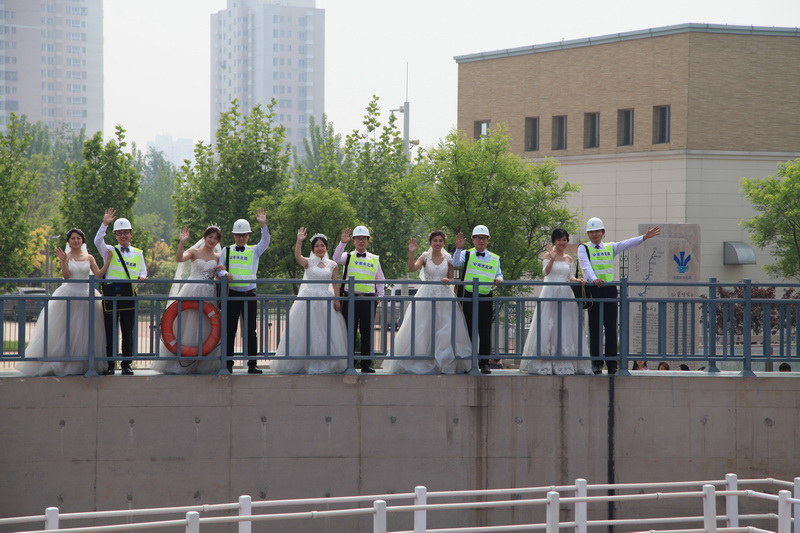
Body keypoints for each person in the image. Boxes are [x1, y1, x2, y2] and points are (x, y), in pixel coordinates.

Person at [16, 229, 111, 377]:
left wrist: (108, 261)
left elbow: (98, 275)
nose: (75, 240)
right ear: (69, 241)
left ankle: (85, 362)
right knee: (65, 328)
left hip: (87, 294)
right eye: (72, 238)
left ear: (82, 241)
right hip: (69, 293)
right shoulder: (66, 256)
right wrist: (63, 261)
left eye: (78, 238)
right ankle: (62, 361)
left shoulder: (89, 257)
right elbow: (66, 277)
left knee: (86, 330)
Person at [578, 217, 660, 375]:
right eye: (591, 232)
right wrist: (594, 279)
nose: (594, 234)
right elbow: (585, 265)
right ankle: (596, 363)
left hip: (609, 289)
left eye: (597, 231)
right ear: (588, 234)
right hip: (593, 289)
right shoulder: (584, 248)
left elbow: (626, 243)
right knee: (594, 328)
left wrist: (643, 237)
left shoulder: (610, 247)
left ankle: (611, 363)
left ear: (603, 232)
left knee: (610, 328)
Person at [384, 231, 471, 375]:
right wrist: (411, 253)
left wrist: (448, 280)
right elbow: (412, 268)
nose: (438, 243)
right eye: (435, 240)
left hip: (444, 295)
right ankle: (421, 359)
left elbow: (451, 277)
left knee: (445, 327)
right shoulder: (425, 256)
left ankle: (443, 362)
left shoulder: (448, 258)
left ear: (443, 243)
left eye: (440, 241)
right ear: (430, 242)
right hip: (426, 293)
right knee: (422, 327)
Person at [271, 229, 348, 374]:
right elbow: (297, 256)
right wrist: (299, 241)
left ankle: (324, 361)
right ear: (313, 249)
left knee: (325, 331)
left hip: (326, 299)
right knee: (305, 331)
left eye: (322, 245)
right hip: (308, 300)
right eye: (317, 246)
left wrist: (337, 300)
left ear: (327, 248)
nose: (320, 248)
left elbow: (335, 283)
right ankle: (303, 361)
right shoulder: (308, 262)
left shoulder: (332, 265)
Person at [520, 229, 592, 375]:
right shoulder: (548, 255)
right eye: (559, 240)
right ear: (554, 241)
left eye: (564, 240)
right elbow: (545, 273)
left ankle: (565, 360)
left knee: (565, 325)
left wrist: (579, 280)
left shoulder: (569, 258)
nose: (562, 243)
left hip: (565, 293)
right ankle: (544, 361)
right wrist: (552, 258)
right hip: (550, 292)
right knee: (547, 324)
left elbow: (570, 276)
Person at [152, 226, 223, 375]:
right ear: (205, 237)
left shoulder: (218, 256)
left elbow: (219, 275)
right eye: (210, 237)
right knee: (186, 325)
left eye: (216, 238)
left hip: (209, 293)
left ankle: (202, 364)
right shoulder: (193, 252)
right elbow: (179, 259)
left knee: (206, 326)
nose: (212, 240)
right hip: (191, 290)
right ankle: (180, 362)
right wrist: (182, 242)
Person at [94, 208, 148, 375]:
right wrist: (104, 224)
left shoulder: (138, 253)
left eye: (126, 233)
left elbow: (143, 271)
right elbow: (97, 241)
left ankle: (126, 364)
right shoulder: (109, 250)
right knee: (110, 332)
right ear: (115, 235)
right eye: (119, 233)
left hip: (128, 296)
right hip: (111, 295)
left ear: (131, 234)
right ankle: (111, 365)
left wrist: (142, 277)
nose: (123, 236)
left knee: (128, 332)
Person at [217, 209, 270, 374]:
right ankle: (228, 364)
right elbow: (219, 269)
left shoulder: (254, 250)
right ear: (234, 236)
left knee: (250, 331)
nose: (241, 238)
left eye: (244, 235)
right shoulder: (227, 250)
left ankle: (252, 364)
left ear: (248, 235)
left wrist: (263, 225)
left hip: (249, 294)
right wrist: (225, 274)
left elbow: (266, 241)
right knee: (230, 330)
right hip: (232, 294)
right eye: (238, 235)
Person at [333, 226, 385, 373]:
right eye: (358, 238)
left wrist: (378, 298)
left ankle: (366, 364)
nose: (361, 241)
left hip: (368, 300)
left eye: (364, 238)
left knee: (367, 332)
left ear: (368, 241)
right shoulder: (348, 256)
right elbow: (335, 258)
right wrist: (342, 243)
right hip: (350, 299)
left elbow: (380, 279)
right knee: (349, 331)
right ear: (354, 240)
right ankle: (348, 363)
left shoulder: (374, 259)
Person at [452, 225, 503, 374]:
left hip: (486, 296)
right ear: (473, 240)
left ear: (488, 240)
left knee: (485, 330)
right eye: (478, 238)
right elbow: (455, 263)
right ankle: (469, 361)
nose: (481, 241)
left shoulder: (494, 258)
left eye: (484, 238)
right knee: (468, 330)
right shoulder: (466, 254)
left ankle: (484, 362)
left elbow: (499, 273)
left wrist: (499, 279)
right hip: (468, 295)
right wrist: (458, 249)